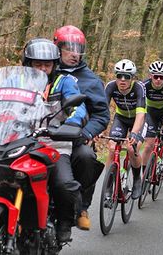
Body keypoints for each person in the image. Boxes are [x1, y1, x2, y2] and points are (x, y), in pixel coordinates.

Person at [23, 38, 87, 242]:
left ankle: (65, 223)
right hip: (20, 143)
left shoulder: (64, 82)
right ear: (28, 64)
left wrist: (73, 123)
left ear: (54, 65)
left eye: (47, 64)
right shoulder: (18, 82)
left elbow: (79, 107)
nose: (42, 68)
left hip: (54, 144)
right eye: (37, 64)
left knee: (64, 184)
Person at [53, 25, 110, 230]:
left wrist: (86, 133)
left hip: (74, 137)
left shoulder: (92, 80)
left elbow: (102, 115)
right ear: (56, 48)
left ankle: (81, 206)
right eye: (69, 47)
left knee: (87, 157)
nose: (74, 53)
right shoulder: (45, 68)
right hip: (40, 134)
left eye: (79, 48)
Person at [104, 59, 146, 199]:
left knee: (131, 148)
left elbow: (140, 114)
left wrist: (134, 133)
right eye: (119, 75)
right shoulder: (110, 87)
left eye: (126, 76)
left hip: (138, 120)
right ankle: (109, 185)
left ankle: (137, 180)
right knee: (112, 147)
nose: (122, 80)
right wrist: (99, 129)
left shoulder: (138, 88)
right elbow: (102, 110)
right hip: (121, 119)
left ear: (132, 78)